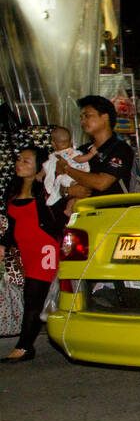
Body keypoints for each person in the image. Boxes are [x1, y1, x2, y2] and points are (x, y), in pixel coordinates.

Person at [1, 147, 65, 362]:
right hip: (26, 252)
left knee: (33, 297)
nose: (20, 163)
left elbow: (57, 220)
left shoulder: (47, 191)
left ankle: (24, 346)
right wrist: (3, 245)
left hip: (45, 250)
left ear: (39, 166)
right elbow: (12, 226)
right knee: (32, 296)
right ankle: (28, 343)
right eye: (19, 159)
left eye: (27, 161)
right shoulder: (12, 191)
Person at [58, 95, 135, 198]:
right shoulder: (82, 150)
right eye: (81, 117)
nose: (82, 121)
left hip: (112, 211)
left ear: (105, 117)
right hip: (84, 211)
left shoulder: (120, 149)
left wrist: (66, 168)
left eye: (87, 116)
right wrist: (67, 191)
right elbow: (57, 183)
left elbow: (101, 183)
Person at [40, 126, 90, 205]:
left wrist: (40, 175)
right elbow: (81, 159)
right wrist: (91, 154)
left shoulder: (66, 153)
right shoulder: (70, 152)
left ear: (53, 143)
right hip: (72, 179)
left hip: (73, 176)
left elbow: (46, 166)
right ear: (71, 141)